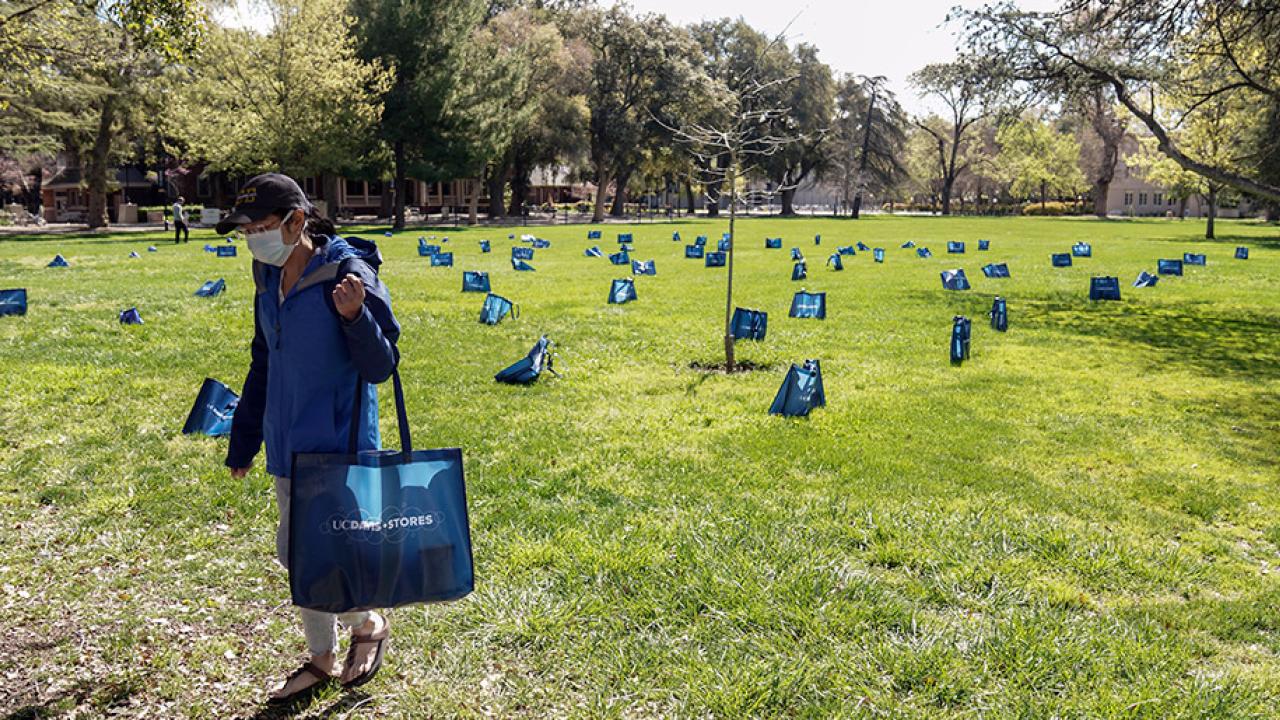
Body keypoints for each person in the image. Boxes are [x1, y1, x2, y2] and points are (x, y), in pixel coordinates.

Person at [217, 173, 401, 705]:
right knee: (299, 553)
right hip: (286, 441)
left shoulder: (348, 273)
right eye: (246, 230)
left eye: (263, 227)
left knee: (310, 556)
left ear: (298, 222)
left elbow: (381, 366)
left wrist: (354, 316)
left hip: (337, 443)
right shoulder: (265, 272)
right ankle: (322, 655)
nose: (254, 238)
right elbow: (263, 359)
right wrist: (245, 439)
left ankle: (366, 625)